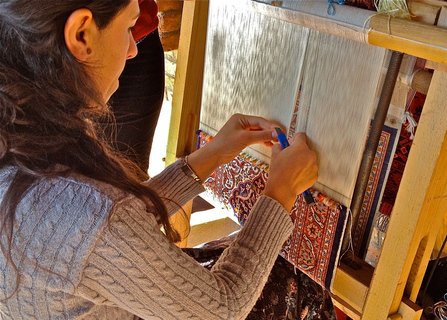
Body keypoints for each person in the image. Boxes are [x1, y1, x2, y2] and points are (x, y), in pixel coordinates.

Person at [0, 1, 318, 319]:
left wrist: (210, 156)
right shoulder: (88, 216)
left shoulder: (19, 139)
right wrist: (281, 191)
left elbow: (112, 231)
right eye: (129, 28)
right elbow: (224, 307)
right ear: (82, 34)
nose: (132, 51)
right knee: (297, 281)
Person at [101, 0, 164, 177]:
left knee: (128, 171)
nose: (131, 52)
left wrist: (213, 156)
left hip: (137, 30)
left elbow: (129, 192)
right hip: (48, 39)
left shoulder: (132, 46)